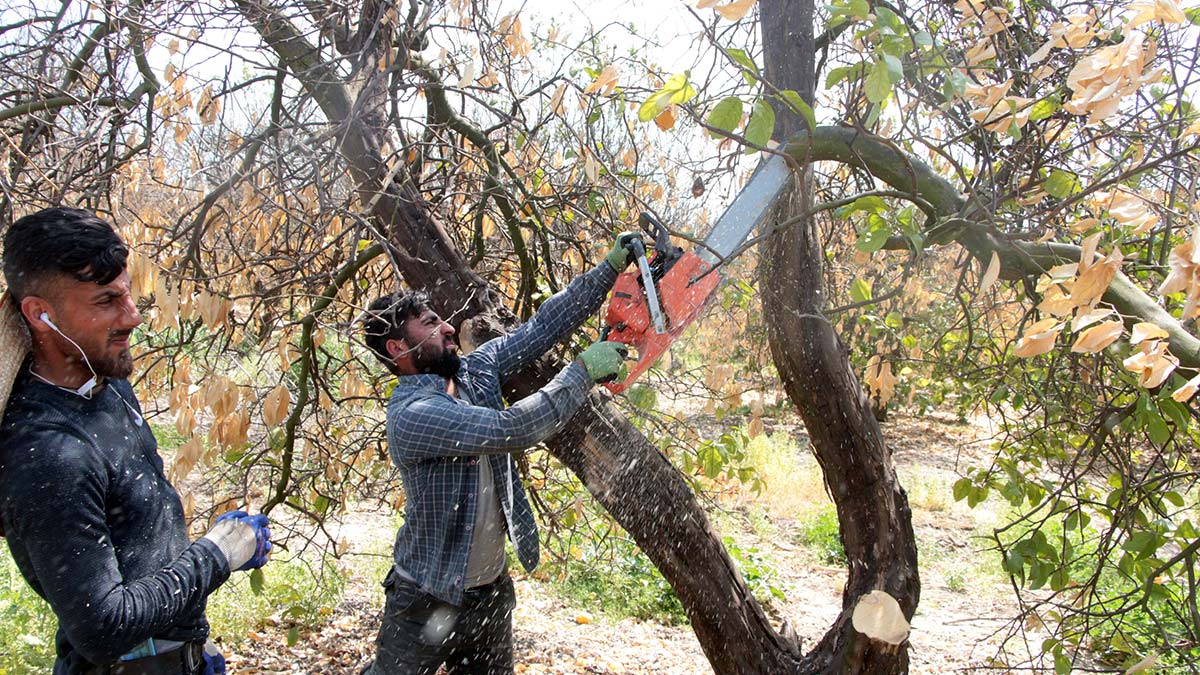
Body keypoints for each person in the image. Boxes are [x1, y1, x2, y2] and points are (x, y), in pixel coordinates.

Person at [0, 207, 272, 675]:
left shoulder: (105, 382)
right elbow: (103, 629)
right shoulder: (46, 451)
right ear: (40, 313)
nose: (133, 317)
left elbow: (132, 541)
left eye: (127, 294)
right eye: (106, 301)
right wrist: (219, 554)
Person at [361, 233, 638, 673]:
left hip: (488, 593)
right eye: (431, 324)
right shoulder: (414, 415)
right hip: (425, 597)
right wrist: (582, 372)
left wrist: (607, 270)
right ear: (399, 349)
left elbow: (542, 327)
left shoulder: (476, 370)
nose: (449, 327)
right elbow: (514, 428)